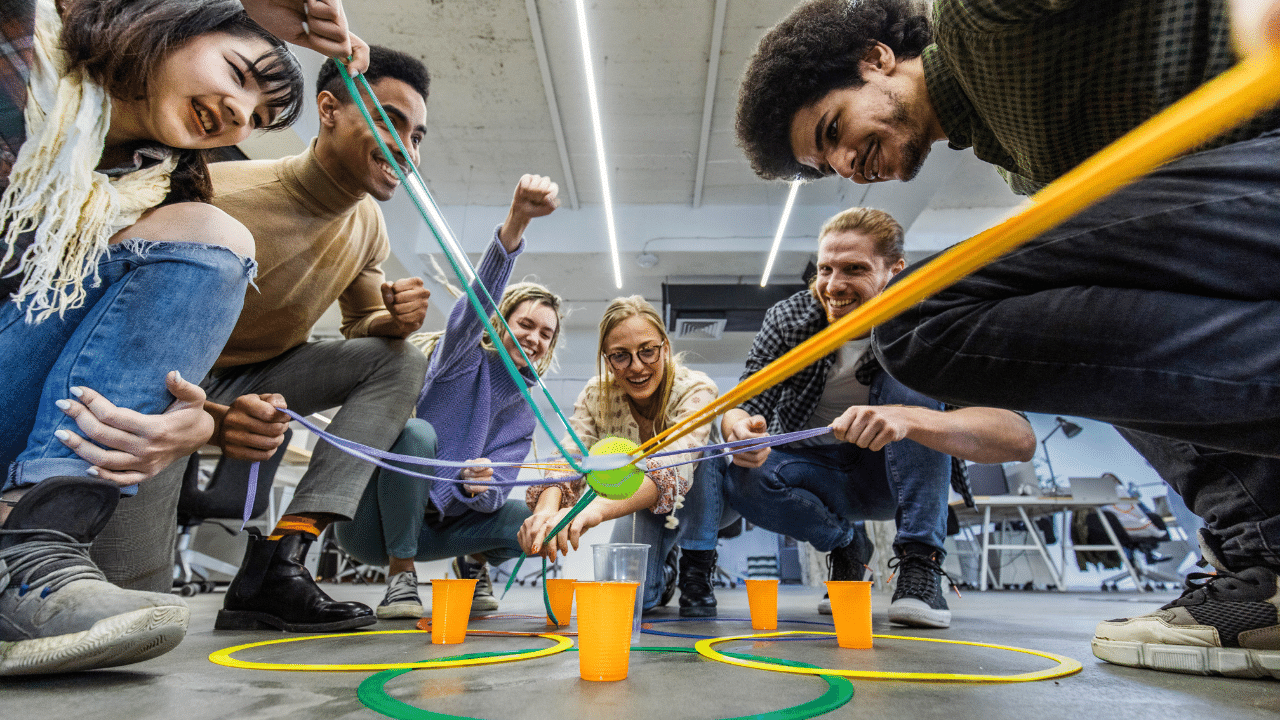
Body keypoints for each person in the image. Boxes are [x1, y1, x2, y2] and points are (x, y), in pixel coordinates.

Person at [735, 0, 1280, 675]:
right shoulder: (1020, 161)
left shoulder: (975, 16)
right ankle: (1269, 564)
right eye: (829, 163)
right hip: (1240, 223)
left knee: (916, 316)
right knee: (1078, 327)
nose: (847, 164)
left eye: (835, 128)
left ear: (876, 59)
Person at [0, 0, 322, 675]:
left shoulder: (158, 190)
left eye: (259, 119)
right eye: (237, 73)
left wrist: (195, 423)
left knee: (209, 235)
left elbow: (86, 338)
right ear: (174, 25)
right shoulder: (28, 44)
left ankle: (27, 550)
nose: (240, 113)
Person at [85, 45, 435, 635]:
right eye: (388, 119)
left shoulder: (368, 224)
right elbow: (115, 330)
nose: (406, 145)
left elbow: (362, 328)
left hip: (263, 377)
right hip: (160, 388)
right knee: (136, 621)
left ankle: (284, 557)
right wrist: (216, 418)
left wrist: (393, 322)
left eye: (418, 134)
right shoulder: (213, 192)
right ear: (328, 110)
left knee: (397, 360)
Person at [678, 207, 1034, 627]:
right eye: (825, 268)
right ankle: (847, 545)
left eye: (854, 269)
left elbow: (1019, 438)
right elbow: (746, 399)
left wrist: (909, 419)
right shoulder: (790, 319)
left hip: (889, 476)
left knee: (911, 389)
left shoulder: (930, 322)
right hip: (813, 474)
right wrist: (738, 426)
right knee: (744, 477)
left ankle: (920, 563)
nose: (833, 285)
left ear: (895, 270)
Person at [333, 174, 563, 619]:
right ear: (501, 324)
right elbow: (478, 301)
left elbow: (497, 496)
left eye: (546, 334)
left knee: (532, 521)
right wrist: (516, 224)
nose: (534, 338)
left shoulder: (525, 410)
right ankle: (401, 577)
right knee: (416, 434)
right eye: (525, 324)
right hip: (375, 528)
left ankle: (471, 564)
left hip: (443, 528)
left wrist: (481, 486)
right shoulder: (463, 358)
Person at [518, 296, 718, 612]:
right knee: (637, 600)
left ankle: (698, 563)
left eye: (647, 351)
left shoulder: (696, 388)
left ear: (665, 347)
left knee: (705, 456)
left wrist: (593, 511)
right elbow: (569, 457)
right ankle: (666, 568)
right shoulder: (597, 395)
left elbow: (676, 467)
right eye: (621, 356)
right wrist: (546, 510)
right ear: (608, 359)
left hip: (708, 503)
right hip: (643, 503)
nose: (636, 366)